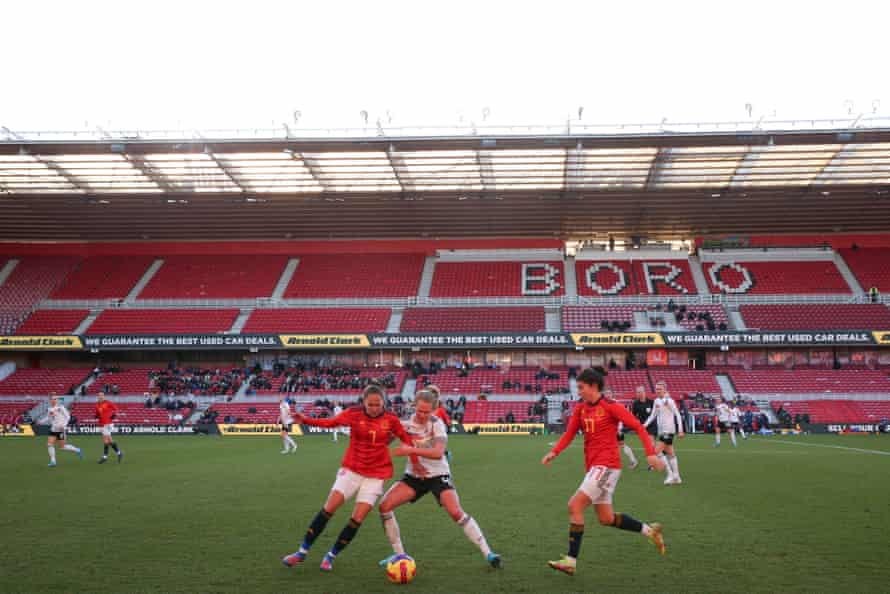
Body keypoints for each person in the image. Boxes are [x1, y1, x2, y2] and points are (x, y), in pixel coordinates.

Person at [542, 368, 665, 576]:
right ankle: (649, 531)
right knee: (605, 518)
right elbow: (570, 434)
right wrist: (554, 452)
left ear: (593, 386)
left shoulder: (610, 406)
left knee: (574, 505)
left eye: (581, 387)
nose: (578, 391)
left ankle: (570, 561)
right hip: (595, 467)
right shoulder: (580, 409)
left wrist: (650, 453)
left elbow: (638, 426)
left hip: (606, 465)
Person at [281, 384, 416, 572]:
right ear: (364, 402)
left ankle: (331, 556)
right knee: (329, 508)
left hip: (376, 475)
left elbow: (407, 440)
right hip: (352, 469)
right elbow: (331, 423)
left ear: (384, 402)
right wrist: (305, 419)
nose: (375, 408)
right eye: (371, 404)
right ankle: (302, 552)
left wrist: (417, 458)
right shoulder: (353, 413)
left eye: (378, 404)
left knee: (357, 518)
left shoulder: (391, 419)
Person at [377, 389, 501, 569]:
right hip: (414, 476)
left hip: (438, 474)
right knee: (384, 506)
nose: (422, 415)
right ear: (414, 406)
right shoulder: (405, 423)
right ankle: (399, 555)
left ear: (433, 410)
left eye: (427, 412)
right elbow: (384, 441)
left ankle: (488, 553)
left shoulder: (438, 424)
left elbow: (438, 453)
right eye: (419, 410)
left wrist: (410, 450)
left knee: (455, 512)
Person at [643, 381, 684, 485]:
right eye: (656, 389)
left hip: (668, 431)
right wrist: (643, 426)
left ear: (665, 389)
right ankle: (677, 477)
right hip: (662, 432)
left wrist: (680, 430)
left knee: (656, 452)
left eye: (660, 389)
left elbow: (678, 415)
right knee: (670, 454)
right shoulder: (656, 401)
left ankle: (670, 475)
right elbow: (653, 415)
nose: (658, 391)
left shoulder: (669, 401)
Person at [46, 395, 83, 467]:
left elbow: (68, 417)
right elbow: (49, 418)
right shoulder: (49, 409)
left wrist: (64, 426)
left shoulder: (61, 407)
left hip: (61, 430)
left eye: (55, 399)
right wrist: (41, 421)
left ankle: (77, 450)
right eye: (52, 399)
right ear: (50, 400)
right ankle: (53, 461)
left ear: (56, 400)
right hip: (53, 429)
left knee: (62, 447)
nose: (53, 400)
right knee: (49, 444)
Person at [606, 389, 638, 470]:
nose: (608, 395)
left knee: (620, 444)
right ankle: (632, 461)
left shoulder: (616, 403)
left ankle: (632, 461)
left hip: (616, 428)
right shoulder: (604, 404)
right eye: (606, 394)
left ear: (612, 394)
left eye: (609, 393)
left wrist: (619, 427)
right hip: (608, 429)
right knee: (612, 445)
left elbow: (621, 416)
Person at [95, 392, 123, 464]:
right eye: (99, 395)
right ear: (97, 397)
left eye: (102, 395)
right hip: (101, 424)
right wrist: (96, 416)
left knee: (106, 440)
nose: (100, 396)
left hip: (108, 424)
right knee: (109, 441)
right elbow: (97, 413)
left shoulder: (108, 402)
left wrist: (114, 415)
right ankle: (119, 453)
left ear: (104, 396)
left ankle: (105, 457)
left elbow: (116, 408)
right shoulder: (97, 405)